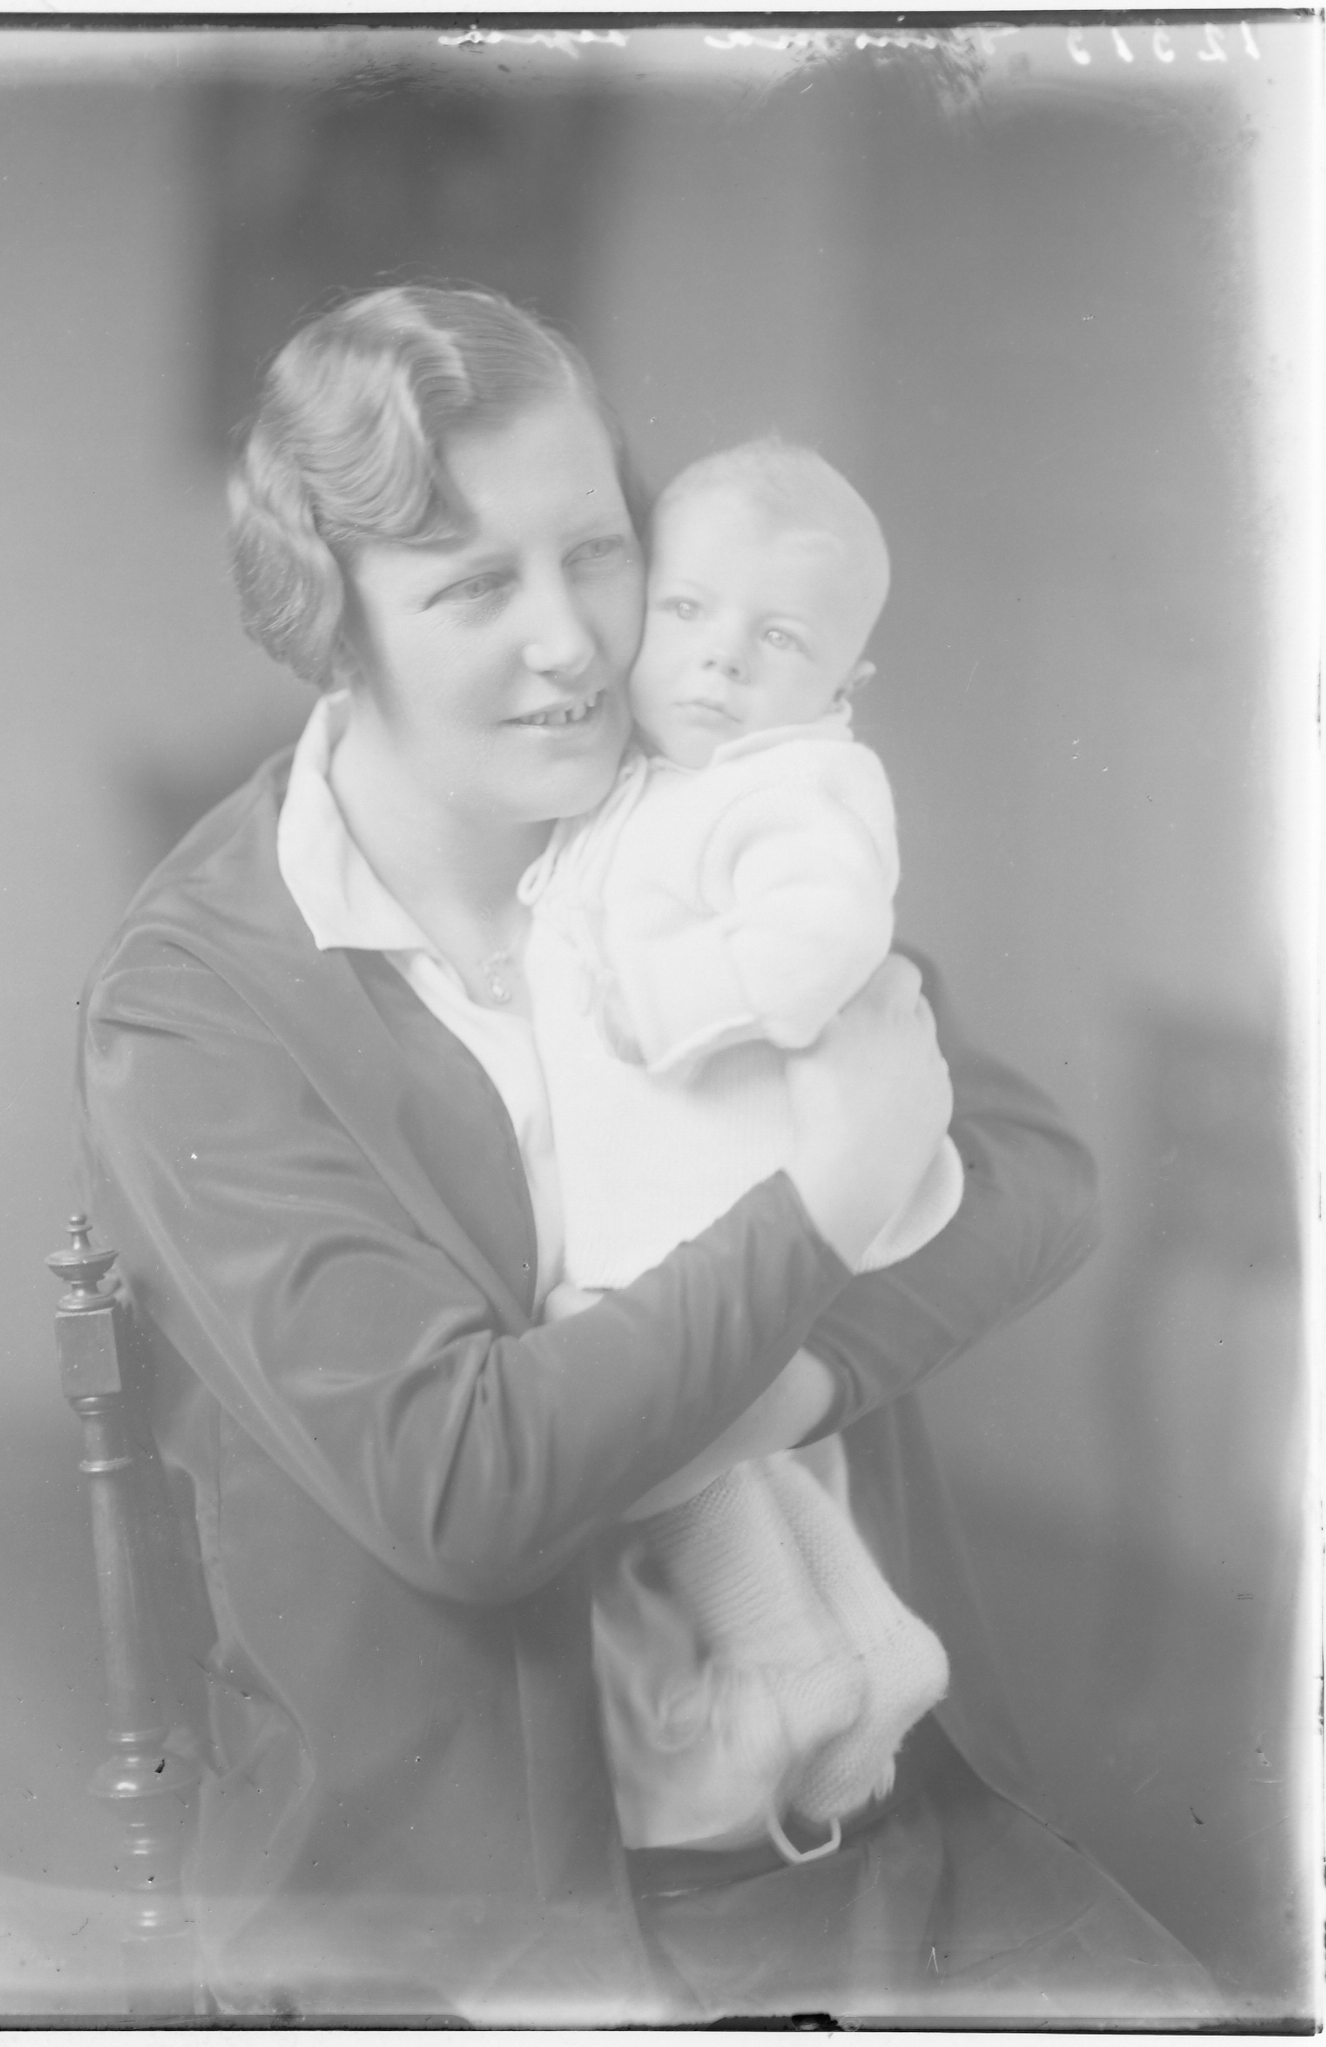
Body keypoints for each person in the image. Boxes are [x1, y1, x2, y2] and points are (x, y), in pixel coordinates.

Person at [75, 284, 1214, 2024]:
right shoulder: (198, 1004)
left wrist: (773, 1393)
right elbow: (467, 1494)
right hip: (491, 1926)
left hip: (878, 1828)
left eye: (598, 552)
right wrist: (828, 1205)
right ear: (332, 623)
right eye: (474, 585)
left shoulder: (679, 801)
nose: (576, 644)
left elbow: (1031, 1165)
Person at [525, 438, 962, 1863]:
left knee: (645, 1408)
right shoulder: (657, 781)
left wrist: (663, 1001)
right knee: (731, 1443)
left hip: (712, 1191)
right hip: (680, 1189)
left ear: (845, 681)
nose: (720, 659)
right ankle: (870, 1639)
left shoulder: (804, 785)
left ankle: (781, 1661)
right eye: (689, 612)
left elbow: (822, 935)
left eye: (778, 639)